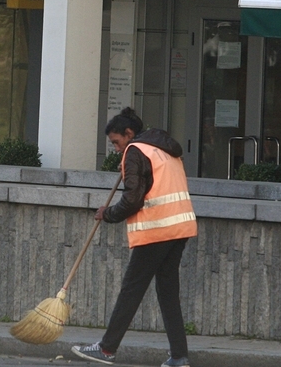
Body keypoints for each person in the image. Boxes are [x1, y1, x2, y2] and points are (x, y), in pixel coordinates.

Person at [71, 107, 197, 367]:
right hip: (179, 228)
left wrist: (107, 214)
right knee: (168, 293)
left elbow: (132, 200)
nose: (116, 148)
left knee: (132, 289)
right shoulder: (162, 149)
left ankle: (106, 349)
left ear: (129, 133)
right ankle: (179, 356)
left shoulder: (136, 151)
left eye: (117, 142)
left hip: (156, 230)